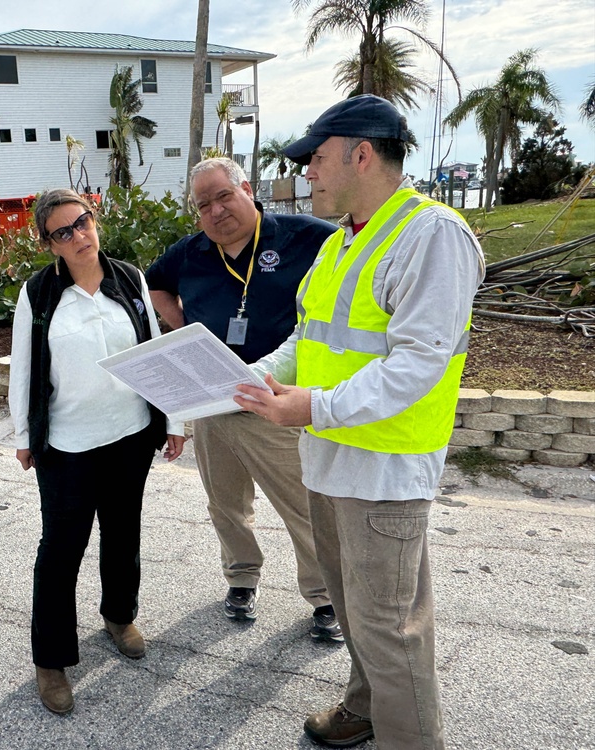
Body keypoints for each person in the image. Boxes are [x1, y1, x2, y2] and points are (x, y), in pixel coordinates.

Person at [235, 95, 485, 749]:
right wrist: (259, 376)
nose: (307, 174)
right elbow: (308, 338)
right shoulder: (344, 241)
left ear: (362, 154)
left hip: (384, 467)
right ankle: (366, 706)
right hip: (329, 459)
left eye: (315, 160)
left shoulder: (432, 235)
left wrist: (311, 406)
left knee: (389, 627)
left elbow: (415, 367)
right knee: (355, 610)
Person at [145, 157, 342, 641]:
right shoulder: (188, 253)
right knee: (226, 503)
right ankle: (240, 576)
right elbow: (154, 286)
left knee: (303, 505)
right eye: (203, 204)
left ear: (247, 190)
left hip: (275, 399)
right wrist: (182, 328)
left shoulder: (305, 236)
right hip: (212, 401)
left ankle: (325, 596)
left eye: (223, 196)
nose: (215, 211)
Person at [8, 189, 185, 715]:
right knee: (61, 550)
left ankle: (118, 615)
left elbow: (157, 354)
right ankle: (51, 660)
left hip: (130, 433)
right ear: (49, 244)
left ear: (94, 220)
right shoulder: (38, 294)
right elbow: (22, 368)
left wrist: (174, 419)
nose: (79, 236)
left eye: (82, 222)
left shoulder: (128, 277)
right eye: (63, 232)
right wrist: (24, 436)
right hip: (68, 444)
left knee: (123, 530)